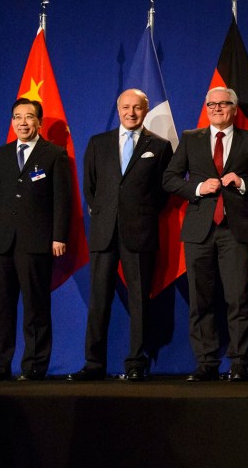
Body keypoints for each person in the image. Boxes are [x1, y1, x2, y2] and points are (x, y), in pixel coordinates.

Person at [163, 87, 248, 382]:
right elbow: (169, 178)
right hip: (198, 230)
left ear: (234, 108)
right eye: (211, 104)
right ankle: (206, 362)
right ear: (206, 108)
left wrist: (242, 182)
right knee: (200, 300)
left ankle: (239, 362)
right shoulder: (191, 139)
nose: (216, 108)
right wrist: (198, 188)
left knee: (238, 298)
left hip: (234, 229)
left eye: (223, 104)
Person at [68, 89, 174, 382]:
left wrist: (140, 213)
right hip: (103, 233)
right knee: (99, 300)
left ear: (145, 110)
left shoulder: (160, 146)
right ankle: (93, 363)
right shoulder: (98, 143)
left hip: (139, 233)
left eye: (136, 107)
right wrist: (105, 213)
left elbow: (163, 192)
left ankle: (136, 363)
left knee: (139, 301)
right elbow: (90, 188)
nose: (131, 113)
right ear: (118, 110)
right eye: (126, 107)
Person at [0, 98, 71, 381]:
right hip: (1, 241)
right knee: (1, 306)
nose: (23, 122)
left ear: (39, 122)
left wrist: (58, 236)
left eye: (29, 117)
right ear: (12, 122)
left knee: (35, 306)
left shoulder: (54, 154)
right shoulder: (0, 155)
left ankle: (34, 366)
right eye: (17, 117)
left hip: (36, 241)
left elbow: (62, 201)